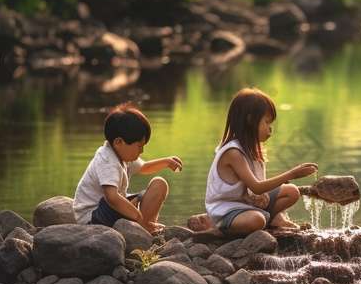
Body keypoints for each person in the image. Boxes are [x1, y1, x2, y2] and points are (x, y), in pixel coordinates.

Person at [201, 87, 317, 234]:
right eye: (267, 122)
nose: (270, 129)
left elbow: (256, 190)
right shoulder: (233, 152)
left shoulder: (254, 150)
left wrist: (261, 197)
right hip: (228, 210)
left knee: (292, 192)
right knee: (257, 220)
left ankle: (274, 219)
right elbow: (256, 186)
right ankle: (218, 229)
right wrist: (291, 174)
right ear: (250, 120)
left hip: (247, 206)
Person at [74, 103, 182, 231]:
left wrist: (166, 162)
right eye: (139, 146)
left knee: (159, 184)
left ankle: (145, 226)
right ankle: (143, 224)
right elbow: (112, 197)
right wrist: (137, 215)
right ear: (119, 142)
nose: (141, 151)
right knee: (124, 203)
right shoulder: (106, 159)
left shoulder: (123, 156)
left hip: (111, 208)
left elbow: (145, 167)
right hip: (94, 216)